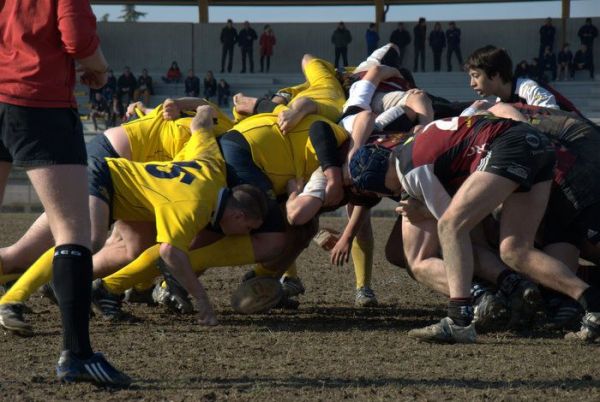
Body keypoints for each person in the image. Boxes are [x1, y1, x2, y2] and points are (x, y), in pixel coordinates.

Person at [0, 0, 129, 386]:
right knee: (73, 229)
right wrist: (100, 70)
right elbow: (77, 39)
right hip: (39, 103)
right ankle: (77, 355)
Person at [349, 114, 559, 344]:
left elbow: (448, 219)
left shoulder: (407, 166)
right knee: (469, 241)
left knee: (424, 256)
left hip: (471, 163)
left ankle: (478, 297)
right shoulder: (409, 137)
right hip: (477, 161)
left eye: (378, 191)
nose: (381, 196)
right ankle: (512, 284)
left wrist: (423, 211)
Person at [465, 45, 583, 115]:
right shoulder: (500, 100)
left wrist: (507, 112)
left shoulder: (529, 89)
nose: (471, 84)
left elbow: (554, 119)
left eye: (475, 76)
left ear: (495, 74)